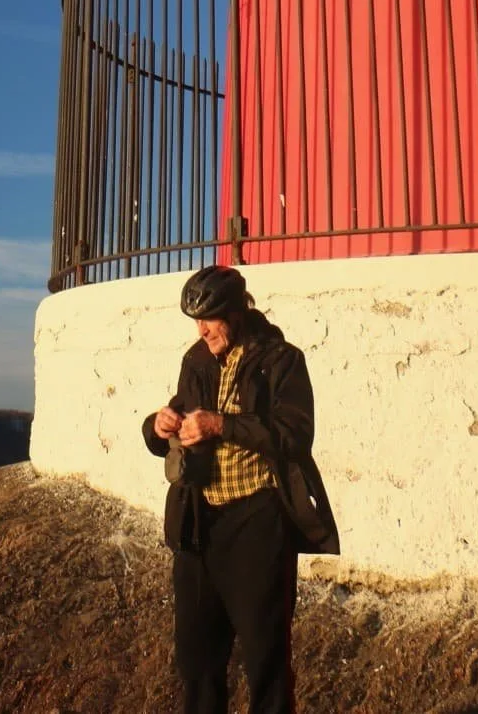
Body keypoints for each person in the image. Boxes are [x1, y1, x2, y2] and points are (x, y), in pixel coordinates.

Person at [142, 265, 338, 714]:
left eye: (209, 319)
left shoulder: (282, 361)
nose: (202, 329)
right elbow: (179, 415)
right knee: (197, 661)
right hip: (198, 523)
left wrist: (222, 424)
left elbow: (294, 435)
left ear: (235, 311)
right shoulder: (196, 360)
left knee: (264, 659)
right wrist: (158, 427)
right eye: (196, 320)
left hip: (257, 523)